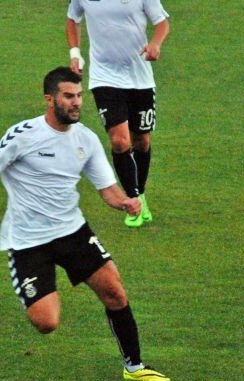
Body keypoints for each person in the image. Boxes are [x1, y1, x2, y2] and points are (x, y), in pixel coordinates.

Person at [0, 67, 169, 381]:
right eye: (69, 96)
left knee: (115, 292)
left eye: (79, 96)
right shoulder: (22, 135)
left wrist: (123, 201)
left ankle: (134, 367)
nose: (76, 102)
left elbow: (106, 188)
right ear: (49, 99)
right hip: (28, 241)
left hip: (72, 232)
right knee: (47, 322)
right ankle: (35, 286)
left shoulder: (87, 139)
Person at [65, 0, 170, 228]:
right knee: (120, 141)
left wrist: (155, 44)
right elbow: (73, 18)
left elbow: (162, 23)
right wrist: (75, 54)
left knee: (141, 141)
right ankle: (133, 201)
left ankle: (140, 193)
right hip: (105, 77)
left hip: (140, 78)